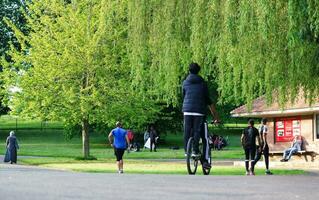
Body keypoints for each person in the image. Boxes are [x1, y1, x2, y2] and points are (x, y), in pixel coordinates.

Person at [182, 62, 220, 169]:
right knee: (197, 131)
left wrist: (185, 108)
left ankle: (187, 150)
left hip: (187, 109)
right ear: (198, 71)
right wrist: (216, 117)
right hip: (199, 111)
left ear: (189, 71)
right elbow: (208, 100)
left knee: (187, 130)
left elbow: (183, 95)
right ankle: (196, 151)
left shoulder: (185, 82)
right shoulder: (202, 83)